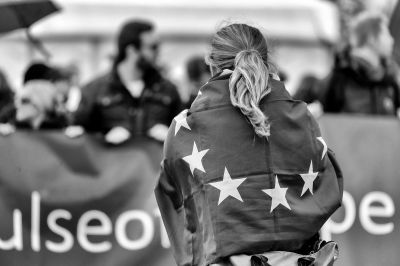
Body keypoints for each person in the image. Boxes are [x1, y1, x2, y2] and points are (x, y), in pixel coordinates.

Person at [155, 23, 343, 266]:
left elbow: (174, 200)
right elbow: (327, 183)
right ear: (267, 61)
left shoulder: (187, 127)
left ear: (211, 63)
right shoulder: (301, 116)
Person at [73, 20, 182, 144]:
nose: (158, 52)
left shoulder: (169, 90)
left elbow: (187, 136)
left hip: (156, 162)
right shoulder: (94, 90)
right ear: (131, 50)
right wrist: (104, 138)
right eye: (153, 47)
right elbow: (78, 136)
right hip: (113, 162)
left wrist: (171, 135)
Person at [320, 11, 400, 116]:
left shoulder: (389, 79)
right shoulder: (339, 79)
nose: (391, 39)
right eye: (386, 33)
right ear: (372, 38)